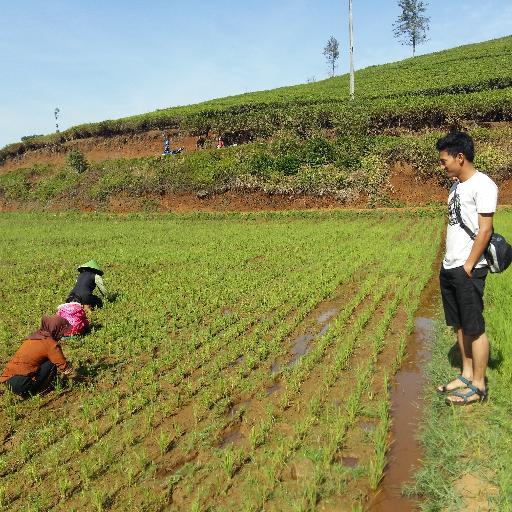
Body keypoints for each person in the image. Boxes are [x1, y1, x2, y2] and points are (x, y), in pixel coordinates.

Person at [436, 131, 497, 406]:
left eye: (444, 160)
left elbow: (485, 230)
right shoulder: (455, 186)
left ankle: (479, 386)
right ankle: (466, 375)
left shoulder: (483, 185)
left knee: (475, 326)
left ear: (460, 157)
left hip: (467, 268)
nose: (442, 165)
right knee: (460, 325)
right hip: (450, 266)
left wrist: (469, 265)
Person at [0, 315, 73, 397]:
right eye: (62, 332)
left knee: (46, 361)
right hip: (21, 384)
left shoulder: (34, 338)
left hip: (8, 380)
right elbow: (66, 368)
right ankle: (39, 390)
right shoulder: (50, 344)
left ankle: (29, 389)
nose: (62, 335)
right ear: (56, 329)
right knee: (52, 363)